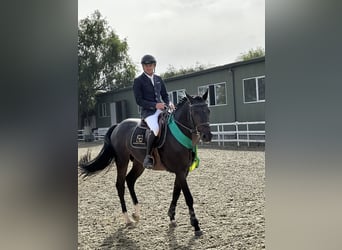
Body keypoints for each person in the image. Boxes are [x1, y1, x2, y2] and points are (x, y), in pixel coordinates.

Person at [133, 54, 174, 169]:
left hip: (162, 109)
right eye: (146, 65)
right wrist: (155, 105)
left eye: (150, 65)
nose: (148, 67)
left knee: (172, 123)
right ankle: (148, 156)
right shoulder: (138, 81)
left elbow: (165, 95)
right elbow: (139, 100)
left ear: (154, 65)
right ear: (143, 67)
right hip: (148, 112)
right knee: (155, 129)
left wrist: (169, 103)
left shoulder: (158, 79)